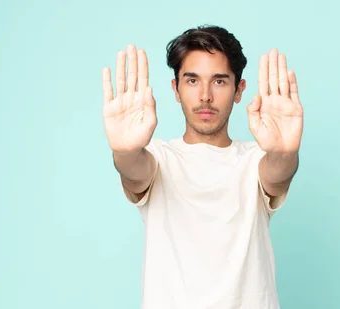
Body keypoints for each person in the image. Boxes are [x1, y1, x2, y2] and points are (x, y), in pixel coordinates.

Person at [101, 25, 303, 309]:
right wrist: (125, 150)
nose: (205, 95)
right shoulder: (159, 157)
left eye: (219, 81)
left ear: (238, 90)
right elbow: (134, 171)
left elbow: (277, 174)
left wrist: (284, 152)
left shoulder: (255, 159)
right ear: (176, 88)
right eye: (192, 80)